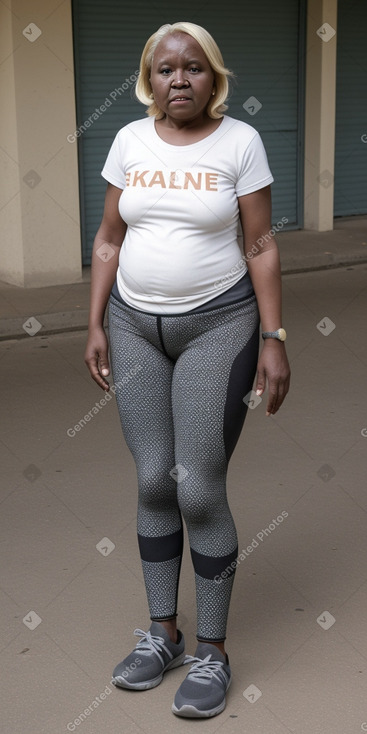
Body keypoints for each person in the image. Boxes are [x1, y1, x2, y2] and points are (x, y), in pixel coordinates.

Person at [84, 21, 290, 719]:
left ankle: (212, 649)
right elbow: (109, 239)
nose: (179, 79)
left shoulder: (240, 142)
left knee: (196, 486)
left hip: (219, 325)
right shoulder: (128, 142)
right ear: (149, 79)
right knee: (151, 479)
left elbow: (259, 243)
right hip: (133, 326)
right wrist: (94, 322)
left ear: (214, 77)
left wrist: (273, 335)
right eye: (166, 68)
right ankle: (160, 635)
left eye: (193, 68)